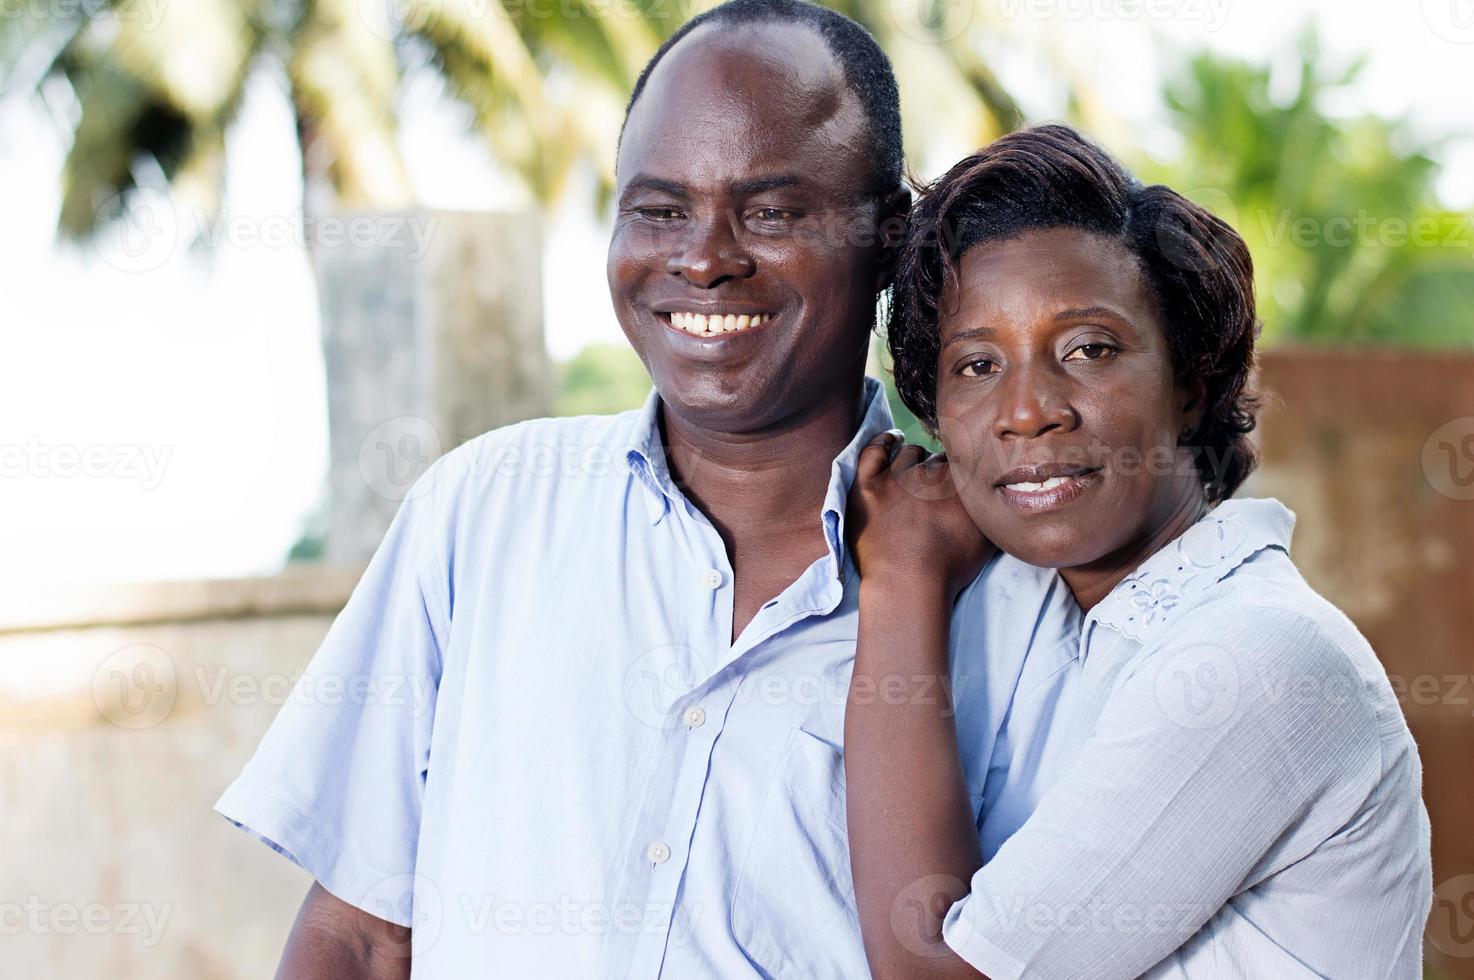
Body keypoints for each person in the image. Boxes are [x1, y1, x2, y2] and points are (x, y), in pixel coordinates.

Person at [214, 4, 1079, 976]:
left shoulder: (1017, 596)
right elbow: (361, 932)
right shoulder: (482, 512)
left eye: (773, 212)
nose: (703, 257)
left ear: (887, 237)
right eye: (659, 210)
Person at [843, 123, 1432, 979]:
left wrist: (900, 575)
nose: (1028, 410)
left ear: (1191, 383)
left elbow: (934, 970)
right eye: (975, 365)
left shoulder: (1254, 657)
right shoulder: (1047, 620)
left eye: (1088, 348)